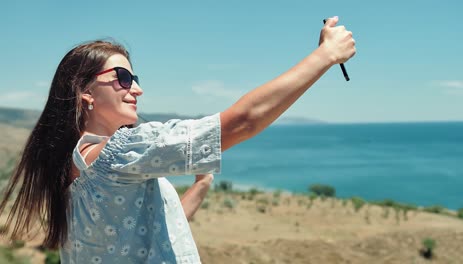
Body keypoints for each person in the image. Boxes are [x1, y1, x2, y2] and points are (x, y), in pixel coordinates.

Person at [0, 16, 355, 263]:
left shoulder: (72, 162)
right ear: (85, 92)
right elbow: (244, 121)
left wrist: (200, 185)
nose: (136, 88)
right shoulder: (119, 155)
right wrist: (325, 56)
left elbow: (148, 233)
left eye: (134, 77)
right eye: (122, 77)